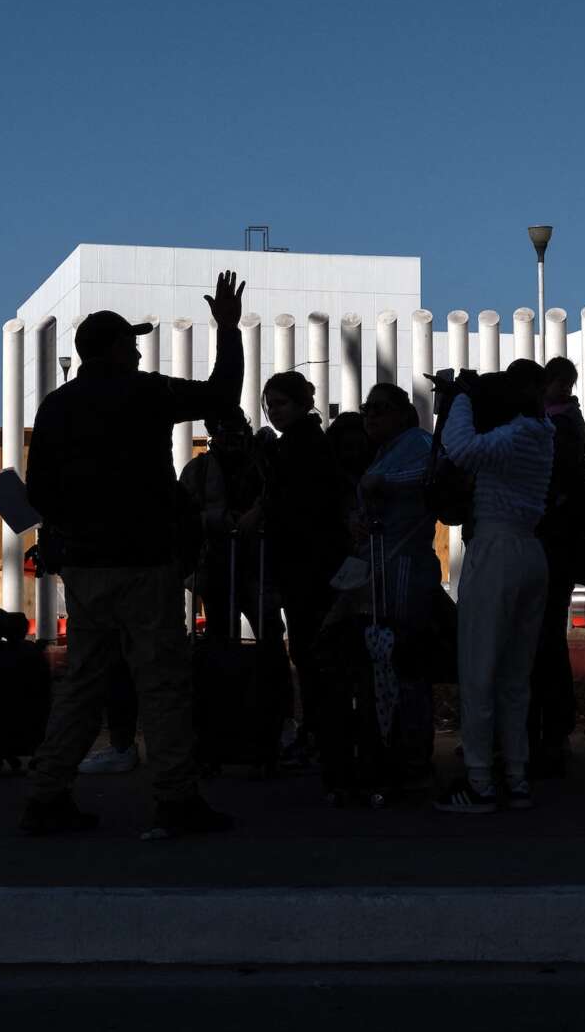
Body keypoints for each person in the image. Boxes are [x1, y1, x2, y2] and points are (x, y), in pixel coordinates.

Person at [20, 272, 246, 836]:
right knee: (163, 682)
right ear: (118, 349)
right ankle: (175, 798)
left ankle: (47, 795)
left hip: (86, 567)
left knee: (83, 682)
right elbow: (221, 393)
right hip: (145, 561)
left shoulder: (56, 407)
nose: (140, 348)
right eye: (133, 341)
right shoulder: (146, 393)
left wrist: (67, 534)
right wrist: (227, 329)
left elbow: (38, 493)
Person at [434, 361, 556, 812]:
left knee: (479, 670)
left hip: (496, 549)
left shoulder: (516, 434)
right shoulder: (541, 432)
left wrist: (460, 396)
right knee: (514, 675)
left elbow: (461, 448)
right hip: (530, 552)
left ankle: (481, 781)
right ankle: (516, 777)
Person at [246, 370, 353, 788]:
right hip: (311, 562)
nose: (274, 412)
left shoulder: (298, 448)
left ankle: (322, 738)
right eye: (270, 404)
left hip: (306, 564)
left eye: (280, 404)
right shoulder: (308, 443)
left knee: (312, 654)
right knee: (313, 653)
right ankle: (322, 737)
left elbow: (290, 504)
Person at [356, 383, 439, 779]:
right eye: (367, 408)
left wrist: (383, 485)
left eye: (381, 408)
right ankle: (393, 743)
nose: (371, 415)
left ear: (403, 413)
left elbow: (429, 474)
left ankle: (412, 750)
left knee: (406, 658)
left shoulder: (418, 443)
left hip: (406, 566)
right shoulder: (386, 450)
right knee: (385, 660)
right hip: (383, 569)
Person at [527, 357, 585, 777]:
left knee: (545, 638)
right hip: (557, 543)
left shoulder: (558, 424)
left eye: (566, 383)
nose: (562, 389)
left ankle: (550, 730)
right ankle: (552, 730)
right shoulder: (566, 420)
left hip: (551, 541)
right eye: (558, 382)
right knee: (547, 638)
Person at [181, 410, 272, 643]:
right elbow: (184, 514)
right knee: (222, 631)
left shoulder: (262, 463)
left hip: (256, 563)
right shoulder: (199, 469)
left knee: (267, 630)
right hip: (217, 564)